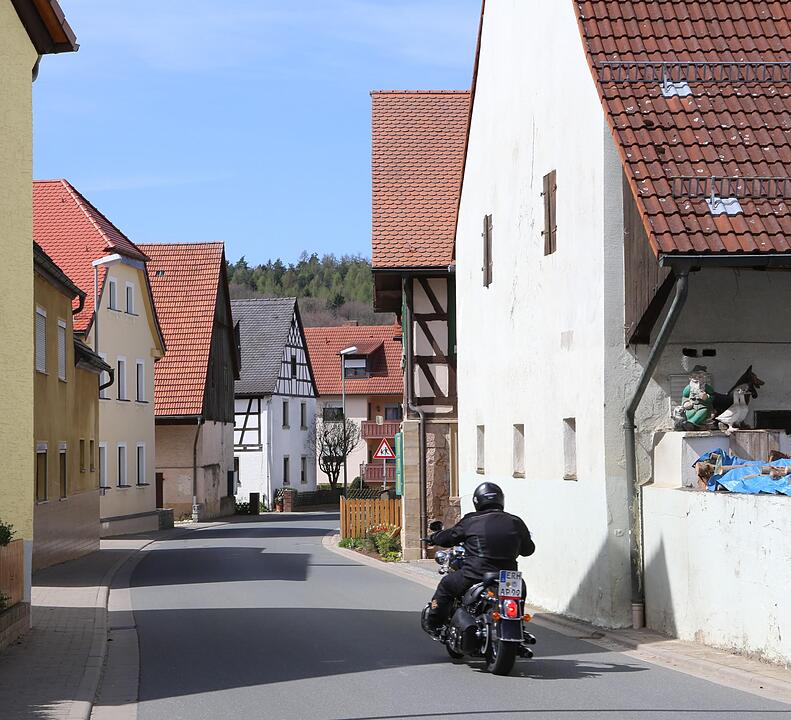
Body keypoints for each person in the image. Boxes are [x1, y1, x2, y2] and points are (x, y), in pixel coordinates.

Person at [425, 481, 535, 632]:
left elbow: (449, 537)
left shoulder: (470, 521)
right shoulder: (515, 522)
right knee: (519, 589)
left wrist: (435, 537)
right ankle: (518, 627)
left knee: (446, 585)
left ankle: (435, 624)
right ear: (501, 500)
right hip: (508, 576)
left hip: (475, 573)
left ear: (477, 501)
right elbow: (528, 550)